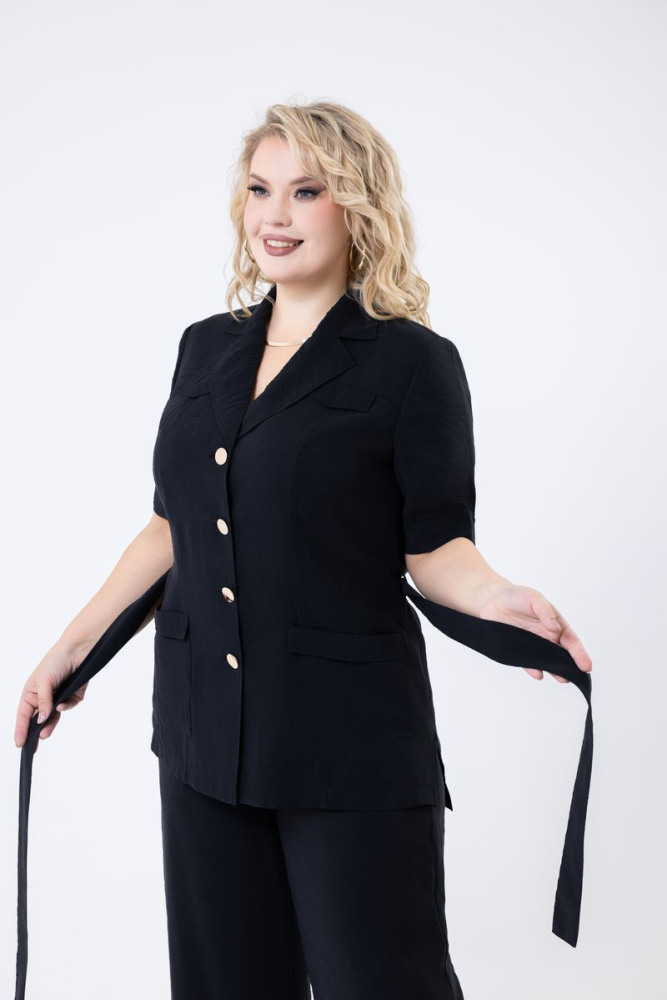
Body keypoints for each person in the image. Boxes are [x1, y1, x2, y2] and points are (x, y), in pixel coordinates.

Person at [14, 101, 593, 999]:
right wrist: (68, 651)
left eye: (306, 191)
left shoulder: (412, 364)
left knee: (383, 983)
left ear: (356, 207)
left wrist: (497, 598)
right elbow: (171, 527)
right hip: (203, 735)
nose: (274, 216)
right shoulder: (204, 349)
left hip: (348, 743)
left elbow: (435, 545)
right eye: (259, 190)